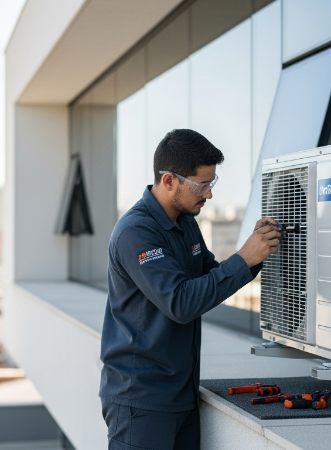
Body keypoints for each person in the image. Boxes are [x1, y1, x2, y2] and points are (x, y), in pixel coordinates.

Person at [99, 129, 281, 449]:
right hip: (141, 401)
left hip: (181, 395)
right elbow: (181, 302)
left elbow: (209, 277)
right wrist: (242, 258)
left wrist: (255, 254)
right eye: (201, 184)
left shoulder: (185, 222)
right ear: (169, 181)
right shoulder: (136, 232)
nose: (208, 194)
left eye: (212, 183)